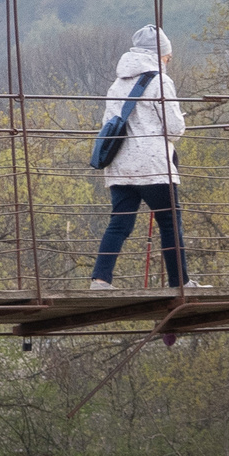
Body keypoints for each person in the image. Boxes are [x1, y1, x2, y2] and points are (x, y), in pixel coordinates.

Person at [89, 24, 204, 291]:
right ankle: (180, 282)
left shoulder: (117, 84)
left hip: (119, 166)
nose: (169, 61)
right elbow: (174, 128)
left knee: (119, 223)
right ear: (159, 55)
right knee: (169, 222)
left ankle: (100, 279)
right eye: (168, 56)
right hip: (153, 166)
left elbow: (109, 124)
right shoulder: (161, 81)